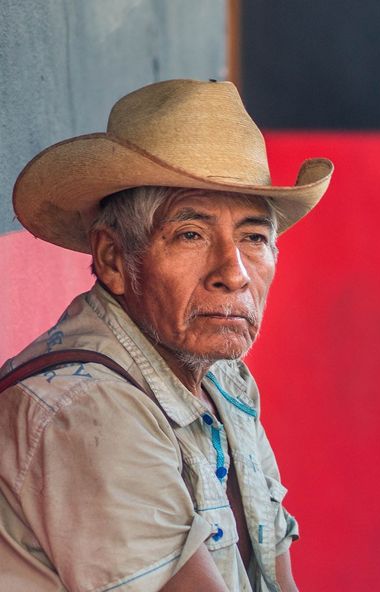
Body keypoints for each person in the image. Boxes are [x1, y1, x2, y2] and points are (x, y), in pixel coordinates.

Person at [0, 79, 333, 592]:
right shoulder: (86, 409)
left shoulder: (225, 380)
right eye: (190, 234)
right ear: (114, 259)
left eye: (253, 238)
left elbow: (273, 573)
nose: (235, 272)